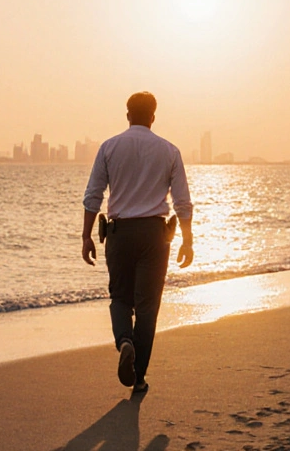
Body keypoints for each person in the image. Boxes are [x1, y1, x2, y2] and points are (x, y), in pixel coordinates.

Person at [82, 91, 195, 395]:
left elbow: (93, 196)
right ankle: (139, 377)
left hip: (119, 234)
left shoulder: (109, 147)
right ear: (153, 117)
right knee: (147, 307)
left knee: (120, 298)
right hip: (154, 235)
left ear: (128, 114)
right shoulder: (169, 150)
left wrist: (86, 236)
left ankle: (125, 341)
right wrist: (187, 239)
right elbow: (183, 202)